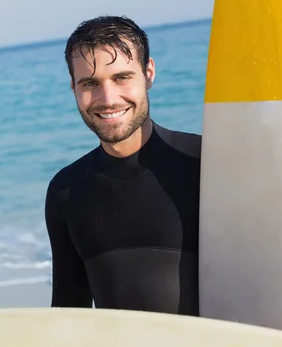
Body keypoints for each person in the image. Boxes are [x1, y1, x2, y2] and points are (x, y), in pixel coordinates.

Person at [45, 16, 201, 315]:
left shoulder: (203, 163)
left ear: (149, 73)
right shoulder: (66, 191)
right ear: (73, 88)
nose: (107, 99)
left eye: (122, 77)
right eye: (90, 83)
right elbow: (67, 315)